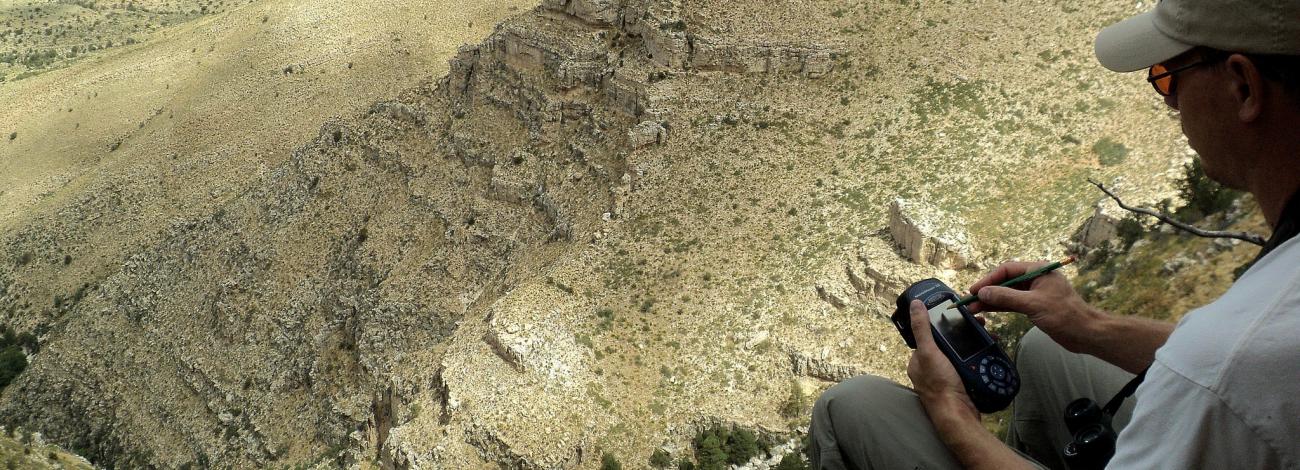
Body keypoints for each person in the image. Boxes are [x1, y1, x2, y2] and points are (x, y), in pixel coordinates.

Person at [809, 0, 1300, 468]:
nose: (1169, 100)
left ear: (1243, 87)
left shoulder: (1242, 346)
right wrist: (1086, 326)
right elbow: (1230, 367)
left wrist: (953, 415)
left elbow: (1225, 367)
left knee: (851, 405)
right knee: (1048, 346)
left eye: (1168, 75)